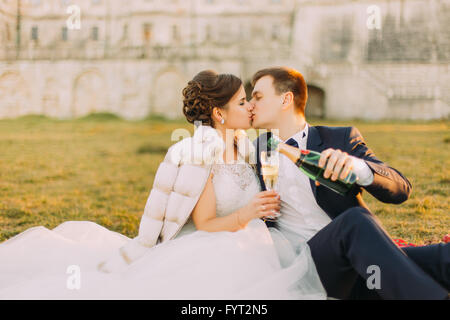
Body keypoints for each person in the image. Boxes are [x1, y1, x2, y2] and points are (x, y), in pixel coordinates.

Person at [0, 70, 327, 300]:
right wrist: (248, 213)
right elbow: (206, 223)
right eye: (242, 102)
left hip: (257, 240)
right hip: (217, 245)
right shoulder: (201, 154)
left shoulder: (249, 147)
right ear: (219, 113)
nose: (250, 107)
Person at [249, 66, 449, 300]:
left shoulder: (340, 138)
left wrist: (358, 168)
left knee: (443, 257)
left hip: (361, 261)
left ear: (286, 99)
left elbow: (401, 189)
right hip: (308, 266)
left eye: (258, 97)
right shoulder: (254, 151)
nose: (251, 104)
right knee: (354, 222)